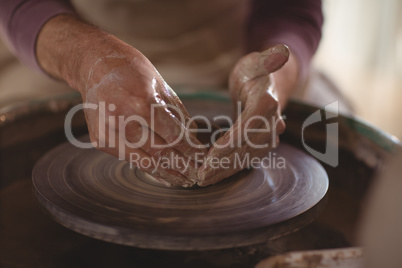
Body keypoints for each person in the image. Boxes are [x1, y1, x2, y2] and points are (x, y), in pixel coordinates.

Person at [0, 0, 323, 187]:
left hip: (230, 50)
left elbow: (291, 9)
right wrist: (85, 60)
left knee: (326, 137)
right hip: (61, 42)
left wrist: (274, 78)